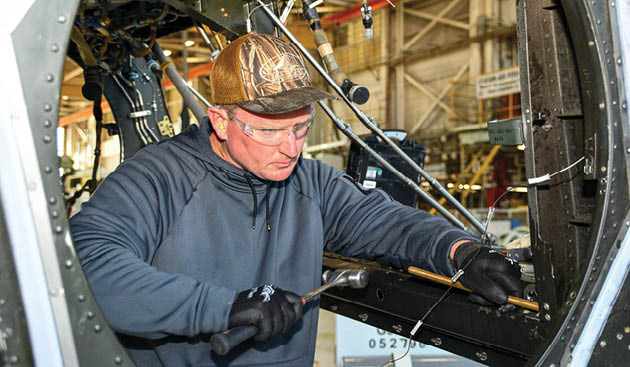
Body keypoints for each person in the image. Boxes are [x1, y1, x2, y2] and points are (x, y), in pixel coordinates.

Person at [70, 33, 523, 367]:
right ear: (220, 120)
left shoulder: (312, 183)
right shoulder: (158, 177)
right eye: (268, 131)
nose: (290, 148)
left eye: (301, 129)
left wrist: (458, 250)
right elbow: (87, 265)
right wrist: (221, 308)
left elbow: (386, 222)